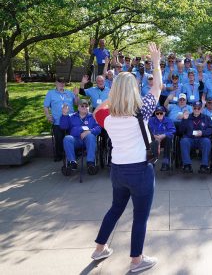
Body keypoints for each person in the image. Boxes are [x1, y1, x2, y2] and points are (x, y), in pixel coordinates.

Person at [91, 43, 162, 273]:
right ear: (134, 89)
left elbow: (95, 112)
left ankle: (100, 248)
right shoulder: (143, 110)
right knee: (140, 217)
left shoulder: (107, 117)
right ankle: (136, 260)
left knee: (115, 209)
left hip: (118, 171)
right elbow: (158, 87)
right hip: (140, 170)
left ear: (114, 91)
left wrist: (112, 98)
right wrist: (156, 62)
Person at [60, 99, 101, 174]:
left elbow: (98, 128)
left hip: (88, 141)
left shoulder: (93, 116)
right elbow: (63, 127)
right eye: (82, 106)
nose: (84, 107)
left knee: (91, 136)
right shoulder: (71, 116)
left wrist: (89, 131)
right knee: (67, 138)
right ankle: (72, 162)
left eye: (86, 106)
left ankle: (90, 163)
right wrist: (64, 115)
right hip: (76, 140)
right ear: (78, 107)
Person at [44, 77, 79, 161]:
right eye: (59, 82)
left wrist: (76, 95)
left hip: (71, 120)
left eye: (63, 82)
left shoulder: (69, 93)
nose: (62, 84)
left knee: (73, 138)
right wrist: (48, 116)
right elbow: (46, 106)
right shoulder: (50, 93)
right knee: (59, 139)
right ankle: (59, 155)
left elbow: (77, 103)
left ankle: (74, 154)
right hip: (57, 120)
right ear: (55, 83)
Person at [179, 101, 212, 174]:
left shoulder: (206, 118)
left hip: (202, 138)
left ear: (201, 109)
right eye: (195, 108)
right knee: (183, 141)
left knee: (207, 141)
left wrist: (202, 133)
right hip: (190, 139)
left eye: (198, 108)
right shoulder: (187, 117)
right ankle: (187, 165)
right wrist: (184, 120)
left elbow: (211, 129)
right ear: (192, 108)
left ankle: (204, 165)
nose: (197, 110)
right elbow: (181, 131)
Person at [148, 106, 176, 171]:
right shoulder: (151, 120)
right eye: (157, 113)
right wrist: (154, 136)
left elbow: (172, 130)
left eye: (161, 113)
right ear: (155, 114)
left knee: (169, 139)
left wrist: (164, 135)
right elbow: (147, 130)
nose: (159, 115)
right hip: (154, 138)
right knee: (152, 142)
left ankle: (165, 163)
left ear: (164, 113)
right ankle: (152, 162)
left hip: (164, 139)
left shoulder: (169, 120)